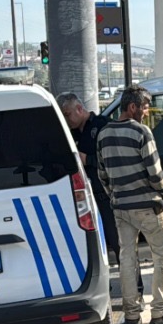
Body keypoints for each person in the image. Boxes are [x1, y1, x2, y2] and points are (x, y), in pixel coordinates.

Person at [95, 85, 163, 324]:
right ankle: (159, 313)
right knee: (161, 257)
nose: (146, 112)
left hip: (121, 208)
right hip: (149, 207)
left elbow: (103, 175)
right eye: (144, 107)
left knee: (127, 259)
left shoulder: (103, 135)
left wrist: (116, 197)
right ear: (132, 107)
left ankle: (131, 316)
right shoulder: (142, 133)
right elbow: (155, 171)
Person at [58, 92, 120, 264]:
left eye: (67, 114)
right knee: (92, 245)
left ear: (79, 109)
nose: (66, 119)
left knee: (118, 242)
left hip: (106, 195)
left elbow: (115, 159)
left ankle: (133, 286)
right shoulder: (72, 134)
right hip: (84, 198)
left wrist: (88, 159)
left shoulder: (102, 126)